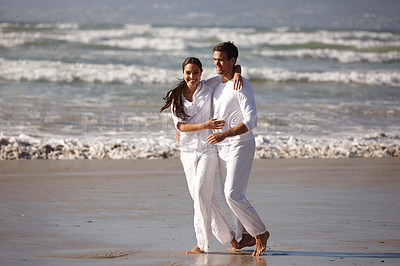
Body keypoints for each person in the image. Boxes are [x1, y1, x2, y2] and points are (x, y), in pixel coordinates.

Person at [160, 57, 243, 254]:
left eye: (196, 72)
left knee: (199, 194)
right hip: (187, 152)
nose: (192, 76)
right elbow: (180, 125)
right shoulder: (176, 96)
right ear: (183, 73)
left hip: (208, 149)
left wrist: (238, 74)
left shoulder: (208, 86)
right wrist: (204, 125)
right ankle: (231, 238)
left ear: (201, 73)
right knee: (203, 198)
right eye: (188, 73)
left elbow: (230, 69)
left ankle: (201, 245)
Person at [206, 42, 270, 256]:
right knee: (230, 195)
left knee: (232, 194)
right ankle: (245, 237)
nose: (217, 63)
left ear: (232, 60)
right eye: (215, 59)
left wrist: (225, 133)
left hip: (240, 144)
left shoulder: (241, 85)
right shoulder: (217, 83)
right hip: (222, 147)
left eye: (222, 59)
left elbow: (252, 121)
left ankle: (261, 233)